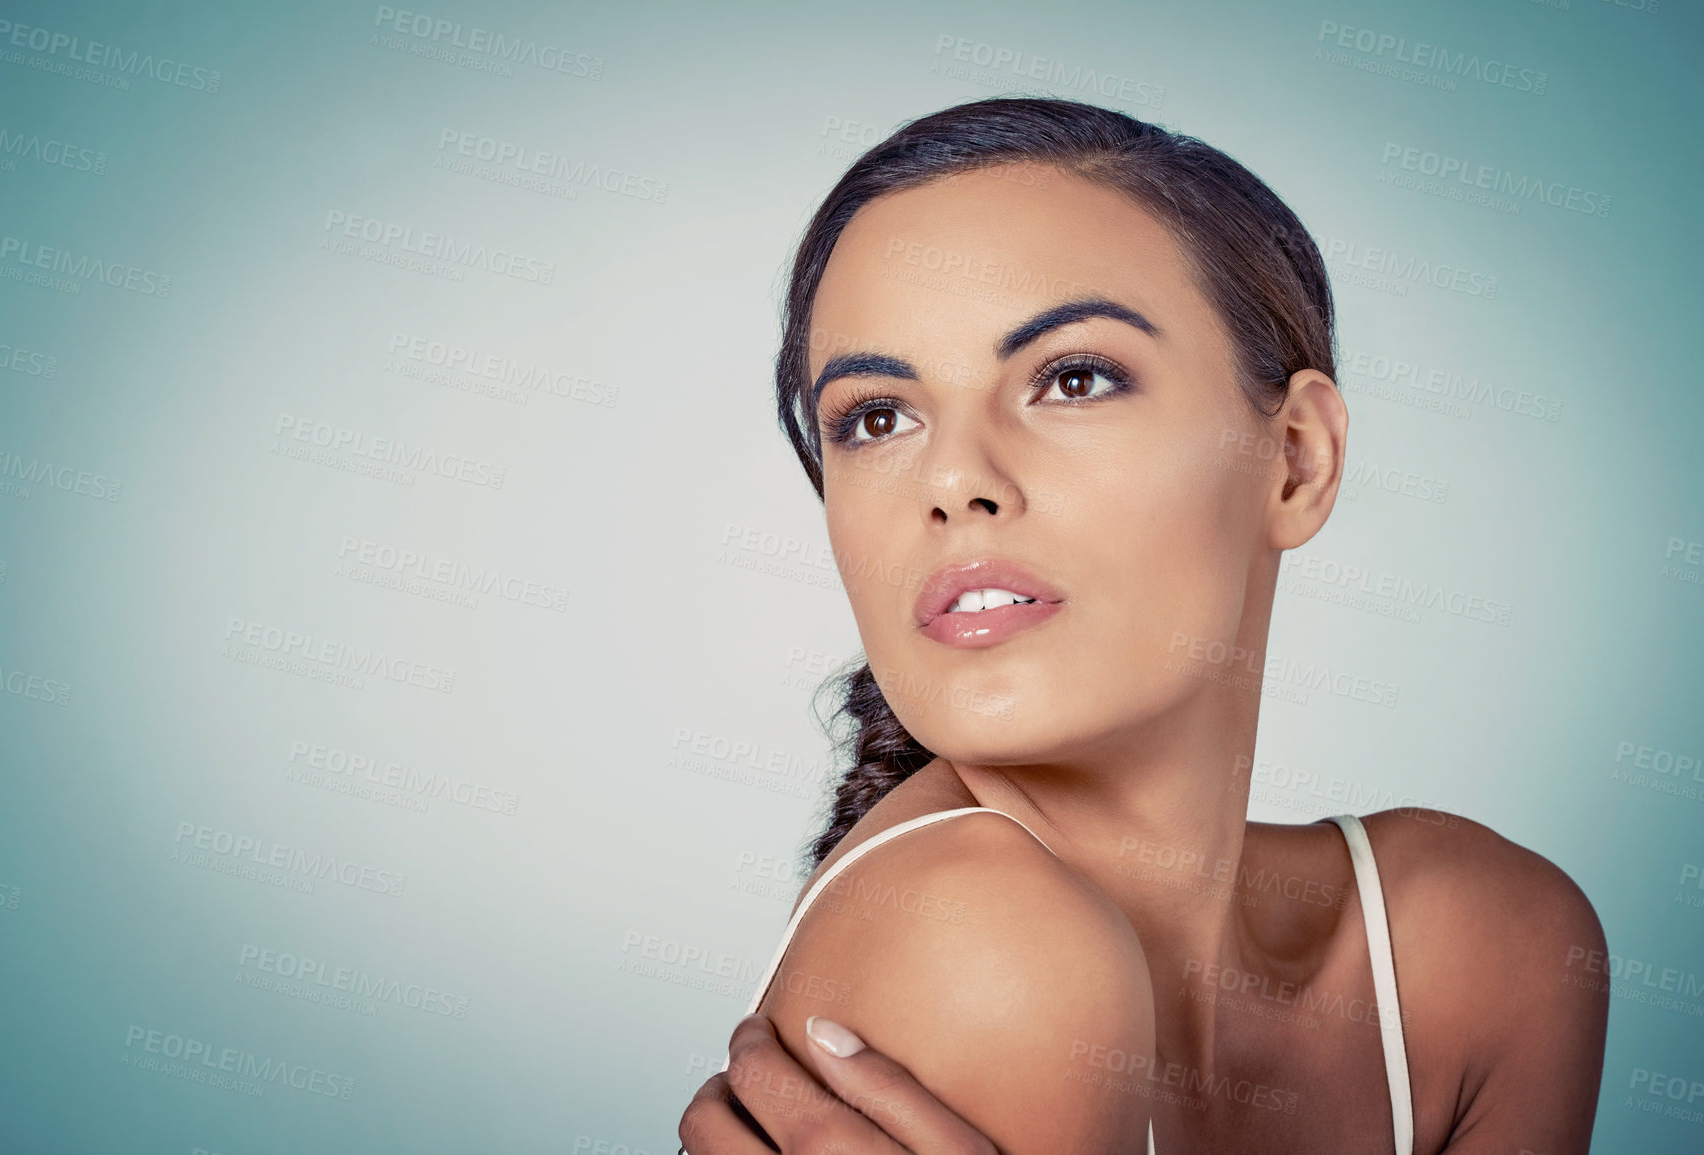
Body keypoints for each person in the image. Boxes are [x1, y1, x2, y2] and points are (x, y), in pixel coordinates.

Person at [678, 97, 1608, 1154]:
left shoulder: (1485, 943)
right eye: (878, 417)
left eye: (1071, 380)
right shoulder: (983, 945)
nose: (952, 480)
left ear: (1296, 458)